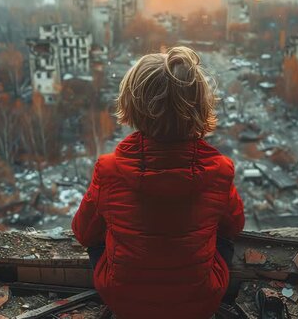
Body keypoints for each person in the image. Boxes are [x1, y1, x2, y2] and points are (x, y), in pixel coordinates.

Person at [72, 46, 245, 319]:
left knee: (99, 235)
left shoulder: (109, 169)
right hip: (200, 302)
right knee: (221, 233)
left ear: (132, 106)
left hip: (124, 302)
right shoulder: (220, 170)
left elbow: (83, 233)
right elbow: (234, 227)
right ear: (200, 107)